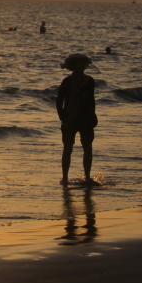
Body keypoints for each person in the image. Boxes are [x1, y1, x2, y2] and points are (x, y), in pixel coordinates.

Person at [56, 53, 98, 186]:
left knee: (88, 148)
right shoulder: (66, 82)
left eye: (83, 63)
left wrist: (93, 116)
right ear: (72, 66)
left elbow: (92, 101)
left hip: (86, 119)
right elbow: (59, 101)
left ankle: (87, 177)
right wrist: (62, 117)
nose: (81, 66)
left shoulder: (90, 81)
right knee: (68, 148)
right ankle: (64, 178)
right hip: (70, 119)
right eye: (77, 63)